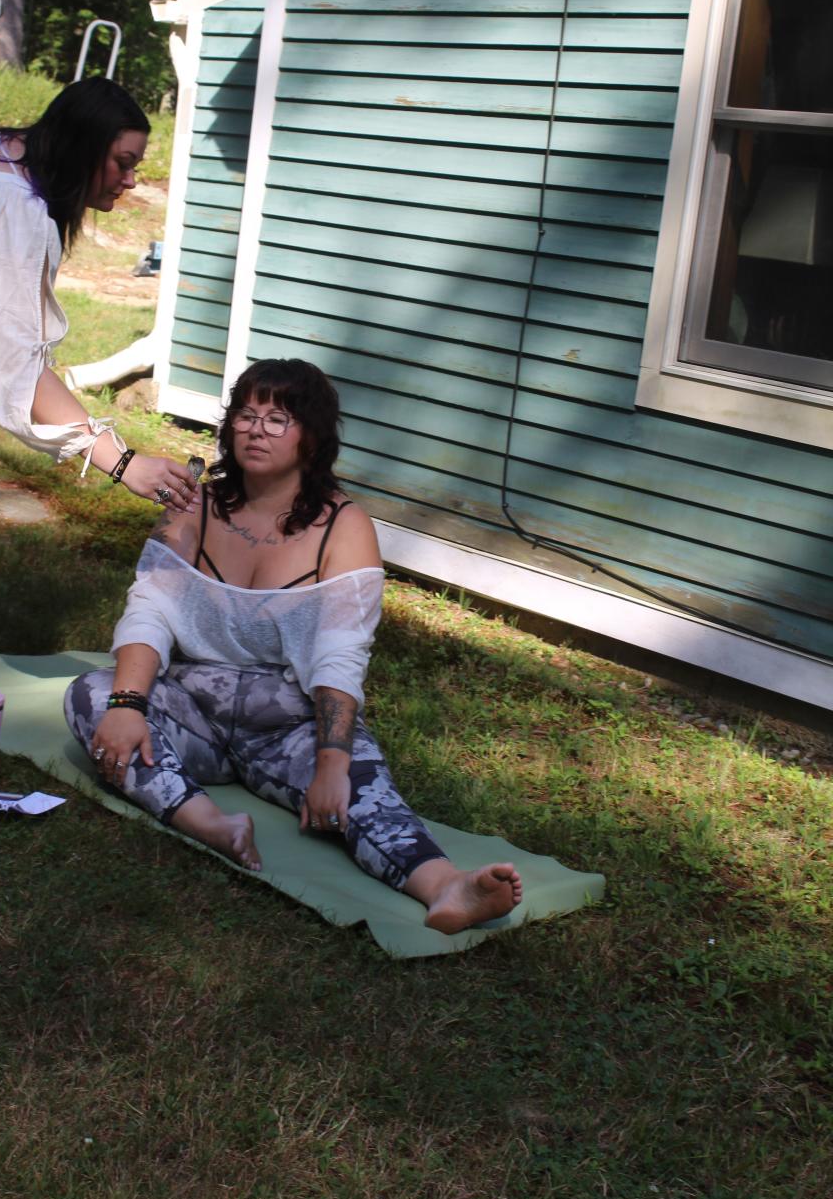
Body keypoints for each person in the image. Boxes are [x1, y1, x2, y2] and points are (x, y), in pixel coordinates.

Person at [64, 358, 523, 936]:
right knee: (91, 695)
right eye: (246, 416)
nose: (256, 430)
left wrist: (331, 762)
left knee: (359, 778)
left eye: (278, 418)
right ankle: (209, 823)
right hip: (192, 711)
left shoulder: (344, 525)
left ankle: (445, 886)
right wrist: (128, 707)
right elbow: (150, 611)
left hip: (283, 726)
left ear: (313, 436)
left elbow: (341, 653)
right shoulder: (195, 505)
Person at [0, 77, 202, 755]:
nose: (133, 180)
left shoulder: (16, 158)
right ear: (82, 149)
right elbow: (19, 376)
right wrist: (124, 462)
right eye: (123, 163)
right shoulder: (11, 209)